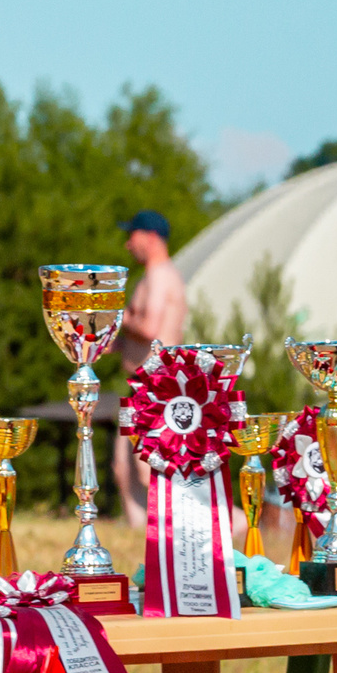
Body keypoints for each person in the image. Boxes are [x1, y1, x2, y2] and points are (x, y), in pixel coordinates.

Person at [113, 209, 188, 531]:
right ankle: (141, 538)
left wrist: (115, 316)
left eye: (133, 235)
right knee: (123, 469)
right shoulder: (152, 276)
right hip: (143, 385)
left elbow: (150, 327)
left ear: (151, 237)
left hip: (157, 385)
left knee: (148, 471)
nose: (129, 244)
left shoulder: (159, 276)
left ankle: (231, 525)